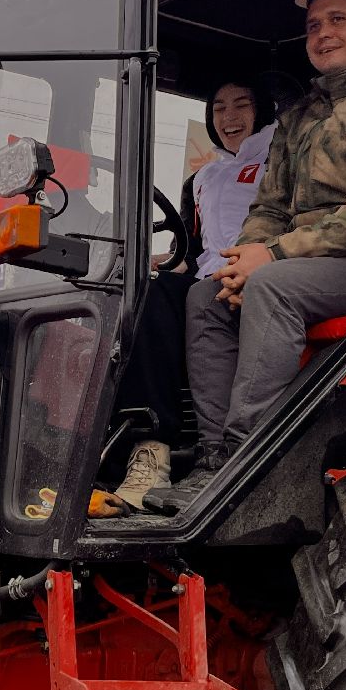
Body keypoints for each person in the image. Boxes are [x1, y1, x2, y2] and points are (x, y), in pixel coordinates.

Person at [145, 0, 346, 514]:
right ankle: (213, 459)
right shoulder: (301, 116)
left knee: (270, 287)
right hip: (299, 261)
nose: (323, 33)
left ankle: (249, 460)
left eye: (337, 19)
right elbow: (267, 207)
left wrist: (276, 257)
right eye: (313, 25)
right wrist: (240, 261)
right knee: (205, 298)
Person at [91, 79, 277, 515]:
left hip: (263, 269)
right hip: (210, 275)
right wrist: (157, 262)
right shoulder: (203, 178)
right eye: (219, 109)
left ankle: (186, 446)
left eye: (242, 104)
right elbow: (192, 251)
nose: (229, 117)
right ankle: (142, 450)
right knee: (143, 294)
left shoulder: (279, 157)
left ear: (264, 109)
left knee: (191, 298)